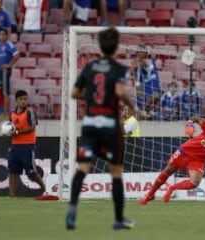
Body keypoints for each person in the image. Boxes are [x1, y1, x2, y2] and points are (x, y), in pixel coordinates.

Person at [65, 27, 137, 230]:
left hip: (89, 125)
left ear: (100, 45)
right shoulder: (119, 69)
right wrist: (133, 107)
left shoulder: (90, 66)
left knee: (83, 168)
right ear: (116, 46)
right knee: (115, 171)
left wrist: (92, 96)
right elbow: (120, 91)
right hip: (109, 126)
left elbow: (73, 93)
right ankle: (118, 219)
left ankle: (72, 210)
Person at [8, 90, 46, 197]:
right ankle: (11, 195)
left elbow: (32, 128)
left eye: (25, 99)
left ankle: (45, 189)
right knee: (12, 171)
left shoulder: (30, 112)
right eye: (21, 99)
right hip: (15, 145)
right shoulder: (12, 113)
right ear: (16, 100)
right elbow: (10, 127)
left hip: (27, 145)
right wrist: (8, 133)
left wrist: (17, 132)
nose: (23, 101)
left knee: (32, 173)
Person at [0, 28, 20, 120]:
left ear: (7, 35)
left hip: (4, 71)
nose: (2, 36)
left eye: (4, 34)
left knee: (5, 92)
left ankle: (5, 113)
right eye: (0, 34)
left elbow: (17, 55)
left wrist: (9, 65)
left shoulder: (9, 44)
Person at [131, 43, 161, 120]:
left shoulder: (145, 61)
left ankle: (146, 110)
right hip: (143, 83)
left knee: (156, 95)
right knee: (152, 96)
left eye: (145, 51)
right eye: (143, 51)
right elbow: (132, 72)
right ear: (138, 52)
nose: (145, 53)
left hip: (150, 81)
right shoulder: (137, 61)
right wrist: (134, 70)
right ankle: (143, 111)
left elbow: (147, 69)